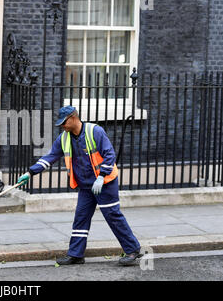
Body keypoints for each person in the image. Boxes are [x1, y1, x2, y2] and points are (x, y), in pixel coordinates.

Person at [17, 105, 142, 266]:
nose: (62, 126)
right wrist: (30, 173)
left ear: (73, 118)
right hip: (85, 186)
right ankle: (76, 254)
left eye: (64, 122)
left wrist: (101, 177)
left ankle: (132, 250)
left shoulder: (94, 131)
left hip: (105, 183)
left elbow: (109, 154)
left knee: (113, 216)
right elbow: (50, 157)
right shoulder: (64, 138)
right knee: (81, 218)